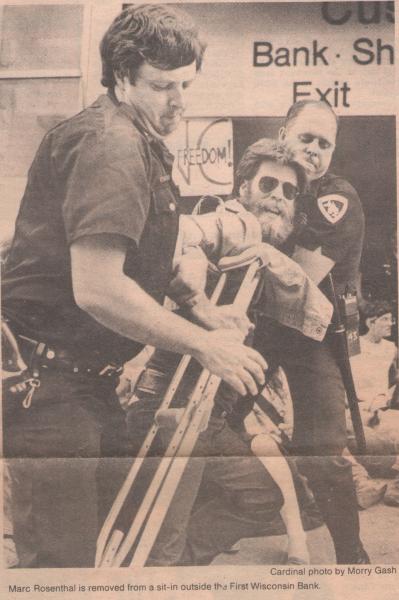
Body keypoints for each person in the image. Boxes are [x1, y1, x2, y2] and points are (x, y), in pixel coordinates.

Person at [1, 4, 268, 568]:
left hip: (84, 386)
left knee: (100, 554)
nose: (178, 103)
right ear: (121, 77)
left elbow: (145, 257)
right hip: (50, 390)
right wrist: (205, 344)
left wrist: (200, 308)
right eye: (161, 86)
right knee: (62, 568)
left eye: (185, 86)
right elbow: (97, 289)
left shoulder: (137, 140)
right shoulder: (110, 145)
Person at [122, 139, 330, 566]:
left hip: (208, 416)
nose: (277, 197)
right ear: (244, 189)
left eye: (289, 192)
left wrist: (271, 258)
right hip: (176, 405)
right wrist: (197, 287)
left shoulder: (268, 251)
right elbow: (193, 234)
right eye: (268, 184)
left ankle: (181, 565)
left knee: (260, 494)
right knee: (161, 536)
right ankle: (167, 570)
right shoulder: (237, 222)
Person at [245, 99, 369, 564]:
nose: (314, 150)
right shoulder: (270, 178)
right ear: (284, 135)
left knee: (323, 448)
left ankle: (352, 556)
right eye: (306, 138)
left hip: (313, 331)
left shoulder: (336, 197)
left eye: (324, 143)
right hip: (262, 322)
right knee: (215, 420)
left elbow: (295, 275)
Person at [348, 300, 399, 507]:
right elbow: (345, 384)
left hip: (382, 408)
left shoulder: (390, 348)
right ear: (370, 322)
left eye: (391, 319)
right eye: (385, 319)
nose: (391, 324)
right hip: (357, 408)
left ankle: (396, 487)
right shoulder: (353, 346)